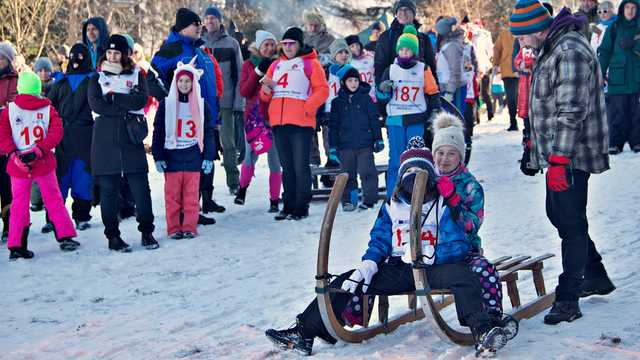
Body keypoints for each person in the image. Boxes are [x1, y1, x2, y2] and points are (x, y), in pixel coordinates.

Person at [265, 135, 514, 356]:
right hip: (400, 268)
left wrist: (436, 246)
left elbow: (459, 242)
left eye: (420, 175)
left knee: (464, 277)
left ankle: (482, 330)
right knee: (346, 281)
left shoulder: (443, 203)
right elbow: (380, 239)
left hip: (435, 266)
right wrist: (369, 264)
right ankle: (304, 332)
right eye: (409, 174)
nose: (413, 180)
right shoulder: (392, 204)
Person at [511, 0, 615, 325]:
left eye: (522, 35)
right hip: (558, 152)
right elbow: (543, 104)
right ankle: (595, 274)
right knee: (561, 214)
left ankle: (568, 297)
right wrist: (533, 150)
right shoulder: (550, 46)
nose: (521, 42)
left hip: (574, 152)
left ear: (536, 29)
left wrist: (558, 161)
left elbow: (571, 110)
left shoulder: (569, 48)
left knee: (569, 222)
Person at [151, 8, 225, 224]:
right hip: (182, 117)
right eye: (196, 24)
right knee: (185, 166)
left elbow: (210, 84)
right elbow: (152, 78)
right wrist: (170, 100)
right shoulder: (172, 49)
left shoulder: (199, 50)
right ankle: (182, 212)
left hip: (204, 114)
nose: (199, 27)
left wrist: (215, 114)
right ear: (184, 27)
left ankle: (195, 208)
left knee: (200, 163)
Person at [88, 34, 158, 252]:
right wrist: (123, 105)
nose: (112, 56)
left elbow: (139, 100)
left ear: (124, 54)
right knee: (109, 191)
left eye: (116, 53)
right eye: (109, 53)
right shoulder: (96, 78)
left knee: (140, 188)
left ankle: (147, 231)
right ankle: (113, 236)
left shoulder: (137, 74)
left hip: (131, 136)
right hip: (105, 140)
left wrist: (114, 98)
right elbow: (97, 105)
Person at [0, 71, 79, 259]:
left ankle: (17, 245)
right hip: (43, 161)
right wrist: (39, 150)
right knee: (53, 199)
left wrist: (13, 154)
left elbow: (2, 135)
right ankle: (65, 236)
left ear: (19, 88)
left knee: (18, 204)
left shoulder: (8, 111)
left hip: (18, 165)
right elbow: (57, 132)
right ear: (38, 89)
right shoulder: (48, 109)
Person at [259, 27, 329, 221]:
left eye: (292, 43)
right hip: (279, 123)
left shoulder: (310, 64)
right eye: (285, 44)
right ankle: (288, 205)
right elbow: (265, 96)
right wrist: (265, 90)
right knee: (287, 167)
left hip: (301, 123)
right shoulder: (276, 65)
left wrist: (308, 107)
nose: (288, 47)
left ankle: (301, 206)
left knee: (300, 166)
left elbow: (322, 90)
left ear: (299, 45)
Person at [152, 61, 215, 239]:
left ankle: (189, 226)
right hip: (172, 157)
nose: (184, 84)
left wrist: (208, 156)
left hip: (193, 156)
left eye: (188, 81)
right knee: (172, 197)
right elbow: (159, 131)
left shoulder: (202, 106)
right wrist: (158, 155)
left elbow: (209, 132)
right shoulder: (167, 104)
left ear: (194, 83)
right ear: (175, 83)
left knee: (191, 197)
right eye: (181, 81)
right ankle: (173, 228)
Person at [377, 25, 440, 195]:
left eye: (408, 50)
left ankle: (416, 193)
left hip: (416, 118)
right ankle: (393, 195)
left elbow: (433, 92)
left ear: (414, 52)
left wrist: (435, 111)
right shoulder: (390, 70)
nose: (405, 52)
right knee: (396, 160)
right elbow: (381, 98)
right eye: (402, 49)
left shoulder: (423, 68)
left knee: (415, 158)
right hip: (395, 118)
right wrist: (383, 90)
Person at [47, 43, 95, 231]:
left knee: (82, 177)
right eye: (73, 56)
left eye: (81, 56)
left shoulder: (93, 79)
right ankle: (53, 217)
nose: (76, 60)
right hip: (63, 137)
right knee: (60, 177)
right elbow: (49, 107)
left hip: (85, 136)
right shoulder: (61, 82)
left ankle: (82, 215)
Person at [201, 6, 245, 195]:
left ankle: (233, 181)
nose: (210, 21)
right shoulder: (198, 43)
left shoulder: (231, 43)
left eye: (213, 18)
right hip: (203, 103)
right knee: (202, 143)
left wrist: (237, 103)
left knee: (228, 143)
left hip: (225, 102)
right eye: (207, 18)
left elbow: (240, 75)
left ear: (219, 21)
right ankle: (202, 184)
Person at [236, 30, 282, 211]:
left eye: (272, 45)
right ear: (259, 47)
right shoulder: (249, 64)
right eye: (266, 45)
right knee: (249, 157)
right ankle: (242, 189)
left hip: (274, 117)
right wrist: (258, 71)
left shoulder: (280, 64)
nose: (269, 48)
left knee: (275, 161)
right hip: (254, 119)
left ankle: (274, 200)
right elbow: (244, 91)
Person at [328, 65, 383, 211]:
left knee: (367, 172)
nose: (354, 83)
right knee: (347, 174)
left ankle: (369, 199)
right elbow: (333, 126)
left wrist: (378, 138)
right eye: (350, 80)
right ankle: (349, 200)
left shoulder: (366, 99)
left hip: (365, 144)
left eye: (356, 80)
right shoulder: (337, 103)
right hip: (345, 146)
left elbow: (374, 120)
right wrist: (333, 147)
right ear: (343, 83)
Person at [374, 0, 438, 117]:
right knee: (396, 133)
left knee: (419, 134)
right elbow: (379, 66)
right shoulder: (386, 37)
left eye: (407, 10)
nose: (403, 13)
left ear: (414, 14)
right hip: (395, 99)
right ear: (396, 13)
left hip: (419, 100)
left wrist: (435, 100)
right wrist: (382, 93)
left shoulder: (423, 38)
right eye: (400, 10)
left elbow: (432, 68)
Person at [598, 0, 640, 154]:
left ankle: (637, 141)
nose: (630, 11)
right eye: (627, 7)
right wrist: (600, 74)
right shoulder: (613, 28)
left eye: (633, 8)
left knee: (637, 112)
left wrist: (635, 45)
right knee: (617, 113)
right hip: (617, 77)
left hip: (637, 77)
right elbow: (604, 52)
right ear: (622, 9)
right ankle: (615, 143)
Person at [0, 42, 18, 243]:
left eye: (2, 58)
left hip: (7, 140)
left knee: (7, 186)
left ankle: (9, 225)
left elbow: (18, 102)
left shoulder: (15, 79)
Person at [435, 17, 466, 112]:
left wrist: (450, 92)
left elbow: (455, 71)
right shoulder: (446, 45)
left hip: (455, 90)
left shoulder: (452, 46)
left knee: (455, 119)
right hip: (447, 88)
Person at [492, 27, 519, 131]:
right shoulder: (503, 35)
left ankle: (526, 121)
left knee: (519, 97)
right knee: (511, 98)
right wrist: (495, 64)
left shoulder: (523, 32)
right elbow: (497, 49)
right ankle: (513, 121)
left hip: (522, 70)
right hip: (508, 71)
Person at [346, 34, 376, 101]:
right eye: (352, 46)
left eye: (357, 45)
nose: (356, 48)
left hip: (372, 94)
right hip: (357, 96)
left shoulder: (370, 56)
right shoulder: (348, 62)